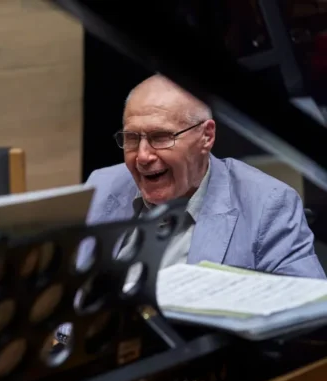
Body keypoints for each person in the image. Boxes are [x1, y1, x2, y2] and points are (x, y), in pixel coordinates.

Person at [85, 75, 325, 279]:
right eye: (132, 138)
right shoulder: (102, 185)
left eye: (160, 137)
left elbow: (307, 307)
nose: (143, 156)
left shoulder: (268, 204)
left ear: (206, 136)